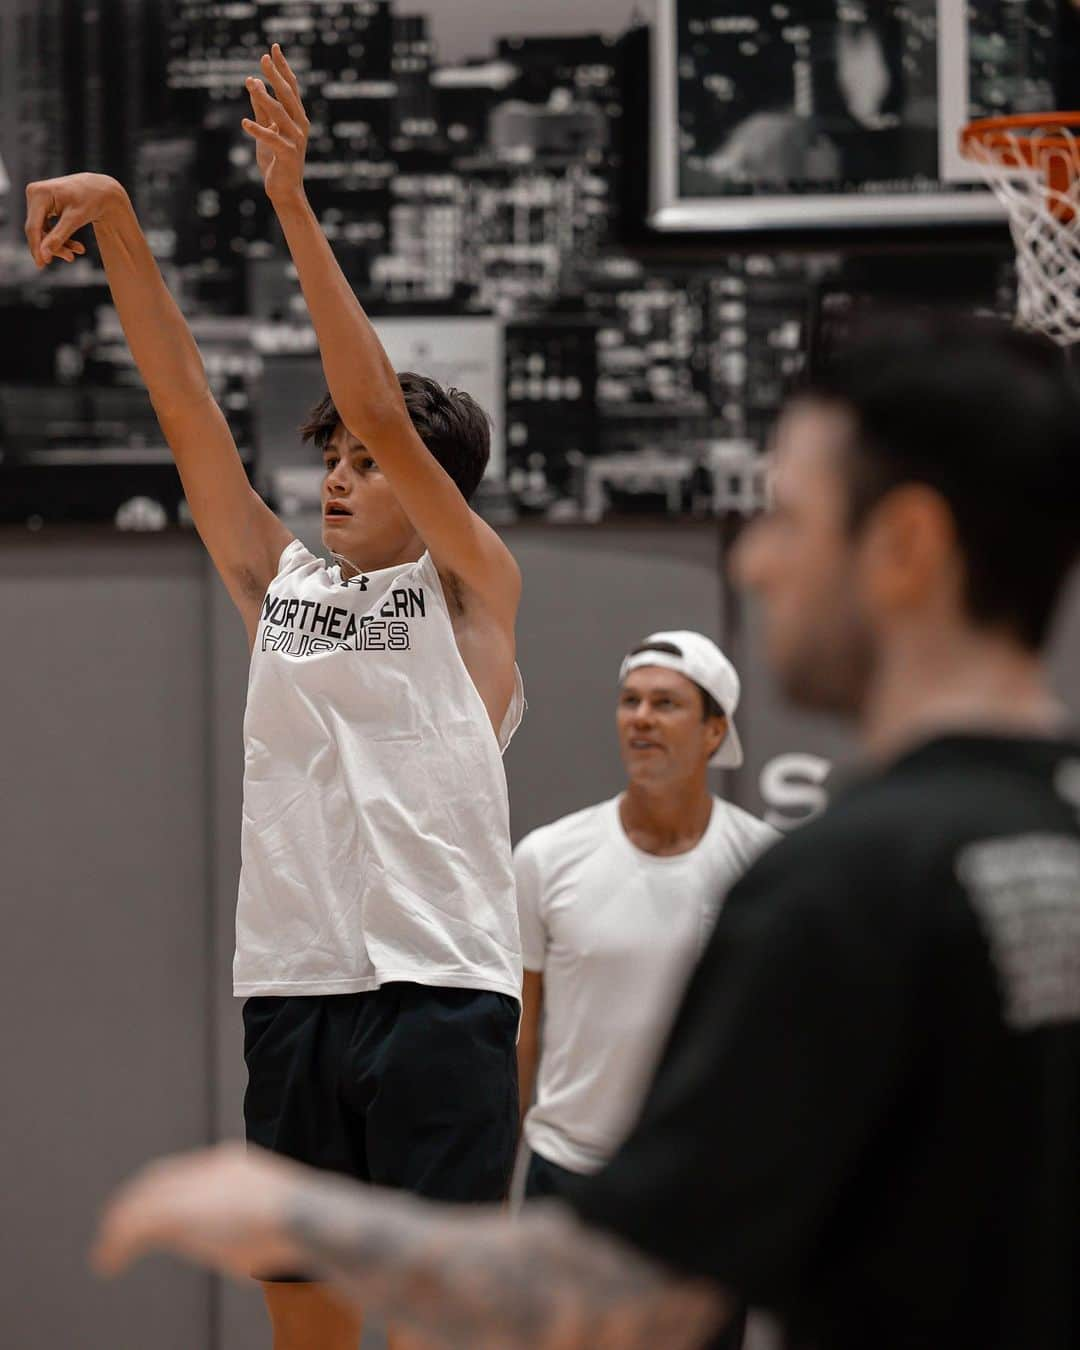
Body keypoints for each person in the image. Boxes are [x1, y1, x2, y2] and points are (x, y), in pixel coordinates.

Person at [93, 316, 1080, 1346]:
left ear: (907, 544)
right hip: (326, 997)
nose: (754, 565)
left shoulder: (840, 883)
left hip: (437, 1007)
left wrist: (294, 1216)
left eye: (788, 517)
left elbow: (633, 1287)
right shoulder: (1030, 840)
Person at [28, 42, 524, 1350]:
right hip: (294, 991)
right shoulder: (279, 577)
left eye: (372, 462)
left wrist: (291, 202)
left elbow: (370, 392)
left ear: (434, 491)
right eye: (336, 461)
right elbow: (187, 405)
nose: (344, 475)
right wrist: (125, 226)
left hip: (439, 997)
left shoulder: (473, 587)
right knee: (305, 1333)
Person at [517, 630, 776, 1210]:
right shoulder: (545, 856)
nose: (641, 718)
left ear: (715, 730)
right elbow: (521, 1030)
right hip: (567, 1178)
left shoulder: (765, 866)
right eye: (629, 700)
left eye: (666, 703)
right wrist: (493, 1173)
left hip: (707, 1179)